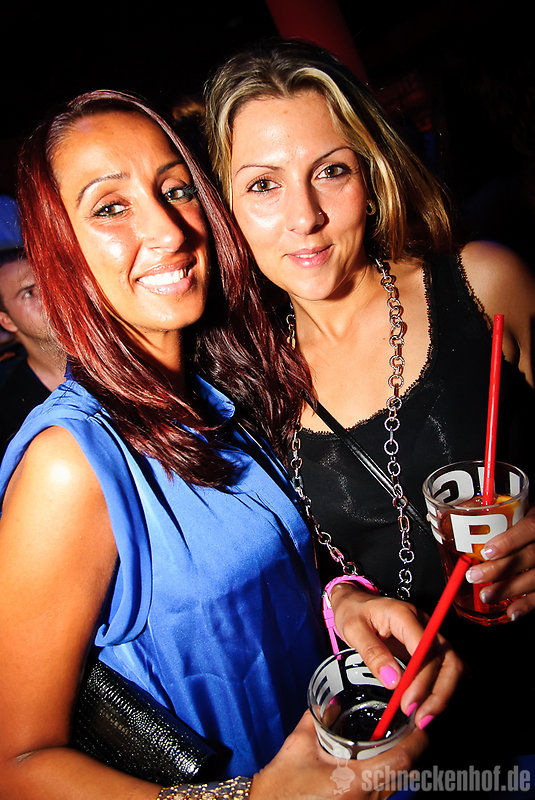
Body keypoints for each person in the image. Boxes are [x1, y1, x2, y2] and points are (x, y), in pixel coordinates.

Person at [0, 89, 453, 800]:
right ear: (60, 251)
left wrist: (344, 606)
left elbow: (256, 575)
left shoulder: (216, 395)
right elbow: (16, 762)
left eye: (176, 189)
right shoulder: (70, 464)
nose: (169, 230)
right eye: (110, 207)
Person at [202, 38, 535, 771]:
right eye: (262, 185)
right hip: (419, 740)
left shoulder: (485, 288)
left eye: (331, 171)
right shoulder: (240, 384)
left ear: (371, 175)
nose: (305, 217)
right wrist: (345, 602)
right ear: (224, 210)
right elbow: (302, 566)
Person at [0, 196, 65, 458]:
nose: (49, 297)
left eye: (48, 283)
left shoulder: (114, 363)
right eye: (28, 293)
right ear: (6, 321)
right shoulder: (12, 415)